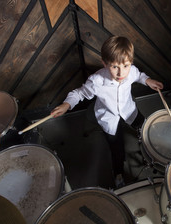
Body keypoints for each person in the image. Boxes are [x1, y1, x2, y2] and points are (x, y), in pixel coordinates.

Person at [51, 36, 163, 188]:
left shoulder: (131, 72)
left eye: (126, 66)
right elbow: (79, 93)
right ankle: (118, 173)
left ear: (130, 62)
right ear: (104, 63)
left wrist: (148, 80)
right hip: (108, 118)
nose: (120, 73)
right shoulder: (96, 81)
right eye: (114, 67)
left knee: (145, 127)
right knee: (117, 149)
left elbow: (139, 75)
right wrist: (66, 104)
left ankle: (154, 151)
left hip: (129, 110)